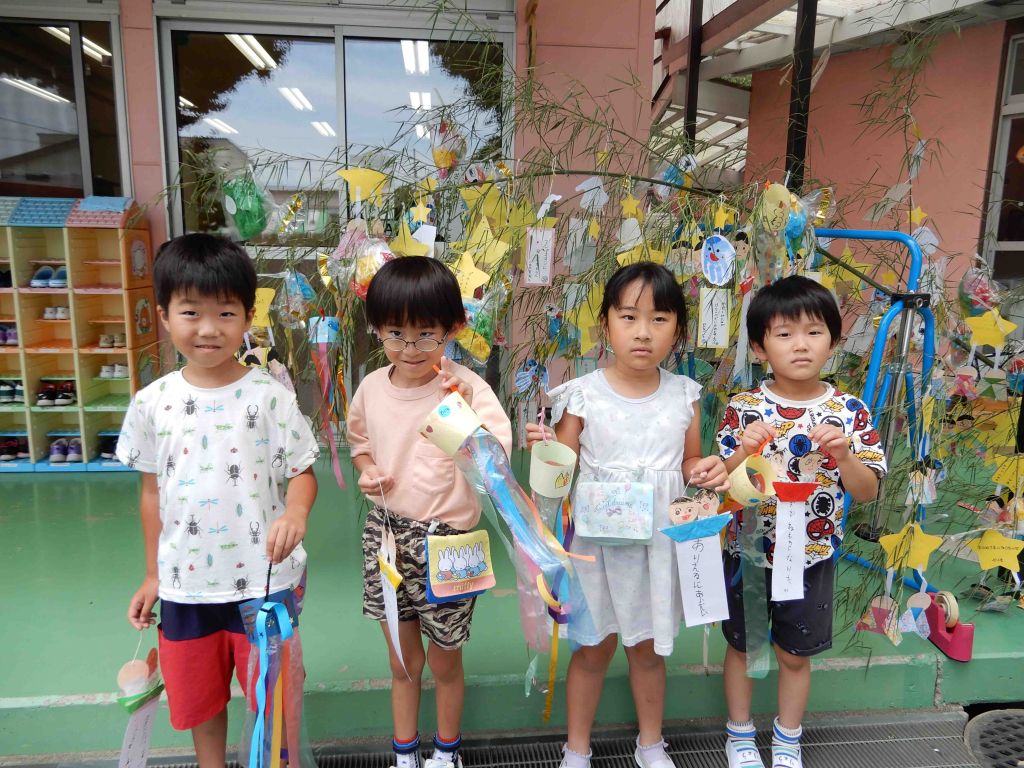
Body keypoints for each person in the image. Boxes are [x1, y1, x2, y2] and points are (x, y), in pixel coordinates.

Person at [117, 234, 320, 768]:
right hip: (185, 587)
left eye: (226, 313)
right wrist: (153, 576)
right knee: (200, 701)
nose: (209, 328)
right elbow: (151, 494)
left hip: (264, 584)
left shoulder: (271, 397)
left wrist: (296, 512)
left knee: (272, 700)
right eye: (191, 312)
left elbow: (302, 472)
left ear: (248, 317)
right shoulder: (151, 403)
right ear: (164, 316)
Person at [525, 262, 729, 768]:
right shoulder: (582, 393)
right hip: (596, 547)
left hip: (657, 545)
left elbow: (687, 462)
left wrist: (704, 469)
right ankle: (576, 748)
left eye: (659, 319)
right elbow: (563, 468)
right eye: (629, 317)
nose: (643, 332)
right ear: (606, 324)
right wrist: (546, 448)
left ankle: (651, 744)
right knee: (592, 649)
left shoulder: (684, 394)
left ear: (677, 330)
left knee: (647, 650)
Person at [347, 256, 513, 768]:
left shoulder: (467, 388)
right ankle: (404, 753)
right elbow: (360, 445)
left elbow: (495, 464)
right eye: (395, 334)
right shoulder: (372, 388)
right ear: (377, 328)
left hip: (449, 541)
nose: (410, 348)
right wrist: (367, 471)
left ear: (453, 328)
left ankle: (446, 751)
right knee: (403, 661)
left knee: (444, 661)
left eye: (426, 334)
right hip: (386, 536)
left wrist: (458, 411)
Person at [715, 275, 887, 768]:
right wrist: (742, 451)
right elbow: (720, 485)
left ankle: (788, 738)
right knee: (743, 647)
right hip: (748, 552)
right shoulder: (744, 408)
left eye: (814, 332)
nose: (801, 345)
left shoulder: (849, 411)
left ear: (833, 340)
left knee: (795, 654)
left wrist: (844, 456)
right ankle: (739, 735)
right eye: (784, 333)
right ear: (759, 346)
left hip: (812, 554)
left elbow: (867, 491)